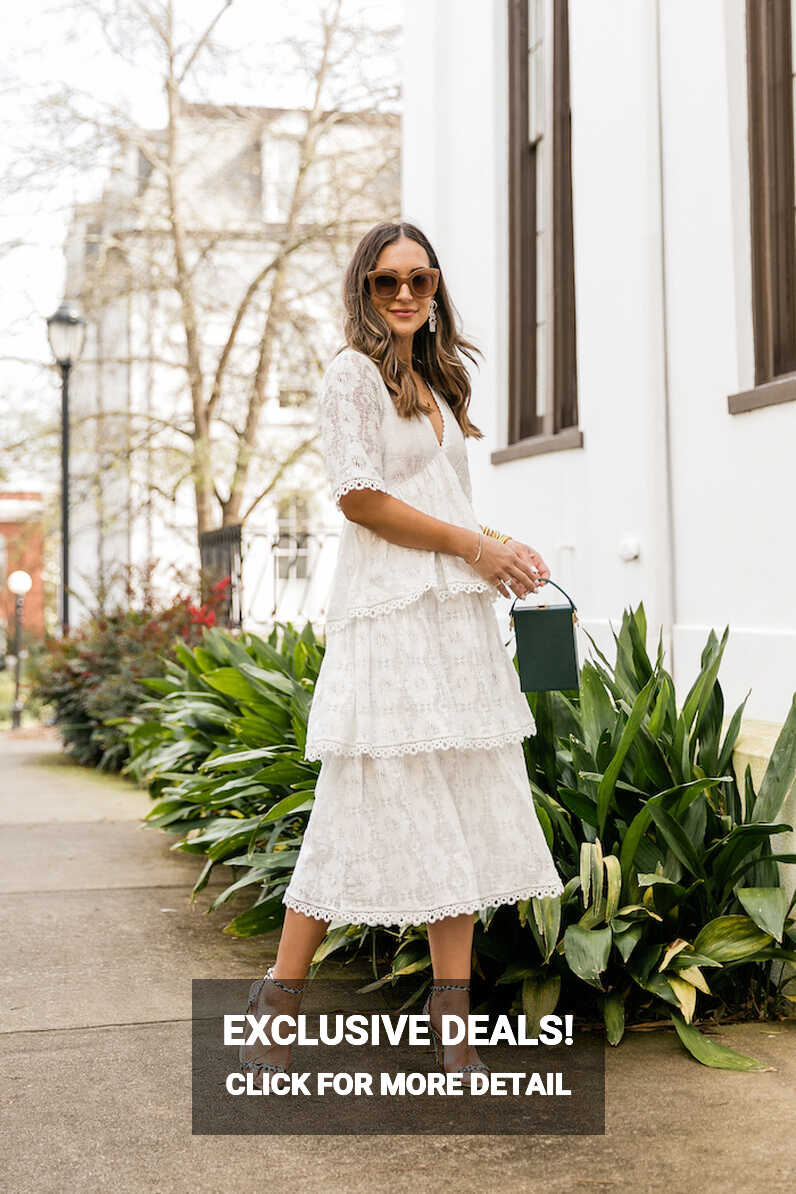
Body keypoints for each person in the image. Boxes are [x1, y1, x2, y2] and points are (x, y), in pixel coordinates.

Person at [239, 220, 565, 1088]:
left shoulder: (434, 375)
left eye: (420, 279)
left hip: (449, 618)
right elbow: (359, 500)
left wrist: (497, 546)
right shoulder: (352, 375)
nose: (405, 294)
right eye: (387, 281)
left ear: (436, 288)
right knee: (365, 794)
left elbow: (435, 494)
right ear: (364, 291)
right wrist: (470, 545)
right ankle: (280, 998)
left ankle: (451, 1017)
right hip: (387, 618)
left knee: (456, 792)